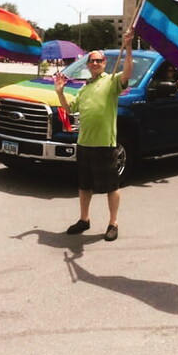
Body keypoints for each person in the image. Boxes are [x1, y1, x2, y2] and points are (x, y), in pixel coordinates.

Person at [54, 32, 134, 241]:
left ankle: (113, 223)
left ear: (105, 63)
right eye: (92, 61)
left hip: (105, 144)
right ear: (88, 65)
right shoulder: (85, 87)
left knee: (111, 186)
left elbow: (127, 72)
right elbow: (69, 109)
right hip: (84, 143)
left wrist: (128, 47)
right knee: (84, 185)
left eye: (99, 60)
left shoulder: (112, 81)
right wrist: (60, 92)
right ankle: (84, 220)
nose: (96, 63)